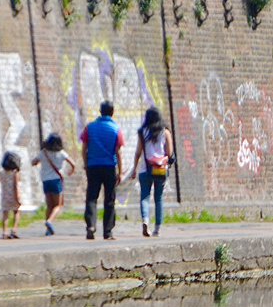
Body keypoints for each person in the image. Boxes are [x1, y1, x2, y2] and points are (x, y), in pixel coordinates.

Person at [124, 106, 174, 238]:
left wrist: (134, 169)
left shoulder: (142, 132)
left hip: (145, 169)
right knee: (159, 198)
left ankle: (145, 220)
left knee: (144, 197)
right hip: (161, 170)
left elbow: (137, 152)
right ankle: (157, 228)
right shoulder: (165, 132)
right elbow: (169, 153)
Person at [80, 100, 124, 240]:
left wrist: (86, 164)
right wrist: (120, 171)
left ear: (100, 111)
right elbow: (118, 152)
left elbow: (84, 148)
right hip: (109, 167)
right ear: (112, 112)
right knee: (109, 200)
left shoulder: (90, 127)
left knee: (91, 198)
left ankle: (91, 226)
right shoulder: (115, 129)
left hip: (93, 166)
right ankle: (108, 231)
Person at [30, 134, 75, 236]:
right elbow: (73, 163)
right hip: (56, 180)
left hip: (45, 181)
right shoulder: (61, 153)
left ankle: (48, 230)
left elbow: (33, 162)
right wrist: (70, 171)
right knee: (58, 205)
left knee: (49, 205)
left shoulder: (44, 153)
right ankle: (49, 221)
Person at [0, 151, 22, 239]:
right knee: (17, 212)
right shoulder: (15, 174)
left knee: (5, 214)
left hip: (5, 196)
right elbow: (15, 186)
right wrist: (17, 198)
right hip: (13, 195)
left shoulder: (3, 173)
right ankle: (14, 230)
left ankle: (5, 232)